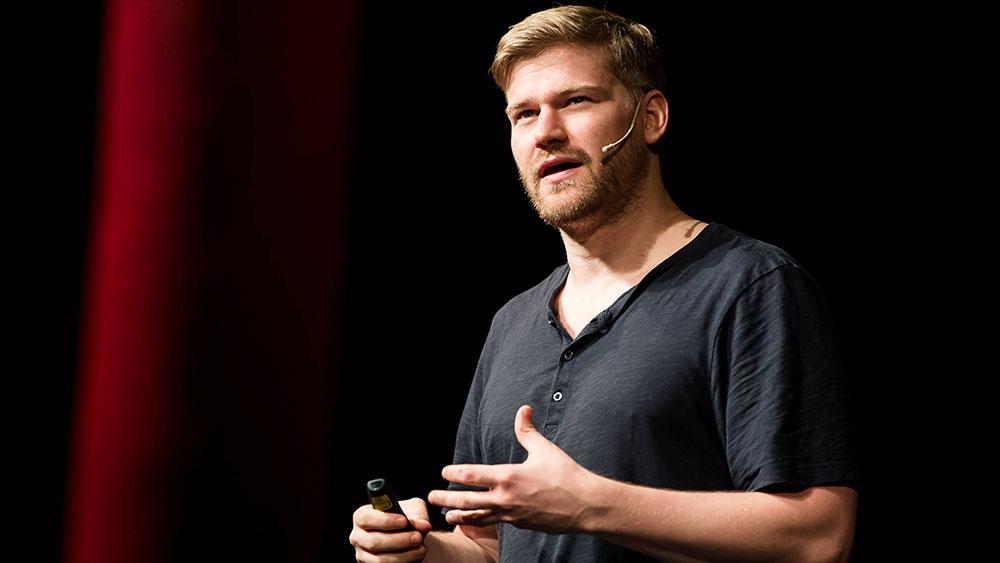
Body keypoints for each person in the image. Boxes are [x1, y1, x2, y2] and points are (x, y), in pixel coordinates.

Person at [350, 5, 858, 562]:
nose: (545, 132)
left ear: (651, 117)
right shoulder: (511, 323)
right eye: (523, 114)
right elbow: (493, 547)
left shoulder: (750, 288)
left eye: (575, 101)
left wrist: (590, 505)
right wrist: (421, 553)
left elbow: (817, 536)